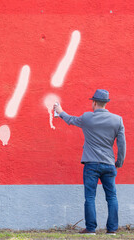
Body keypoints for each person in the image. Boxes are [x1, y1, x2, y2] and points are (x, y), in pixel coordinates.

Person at [54, 89, 126, 235]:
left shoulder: (87, 117)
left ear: (94, 102)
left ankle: (91, 228)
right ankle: (112, 230)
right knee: (111, 197)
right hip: (109, 164)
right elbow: (121, 144)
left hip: (91, 164)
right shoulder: (117, 120)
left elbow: (71, 120)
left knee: (90, 197)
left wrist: (60, 111)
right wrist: (119, 162)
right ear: (106, 103)